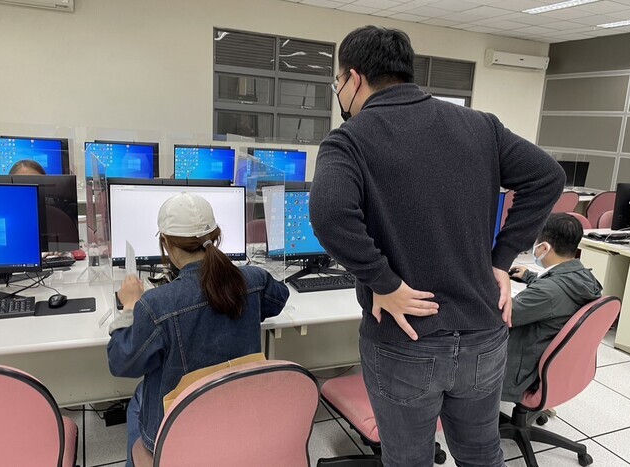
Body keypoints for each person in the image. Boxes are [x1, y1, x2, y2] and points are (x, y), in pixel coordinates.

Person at [309, 26, 565, 467]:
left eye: (337, 83)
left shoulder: (350, 140)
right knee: (481, 452)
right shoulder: (480, 126)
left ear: (354, 78)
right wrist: (501, 261)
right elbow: (549, 177)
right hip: (484, 335)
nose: (340, 92)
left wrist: (383, 282)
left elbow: (330, 214)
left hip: (406, 339)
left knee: (408, 459)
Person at [107, 193, 289, 466]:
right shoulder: (253, 280)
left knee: (140, 396)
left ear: (166, 244)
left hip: (176, 437)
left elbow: (122, 363)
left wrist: (131, 307)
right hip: (239, 416)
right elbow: (279, 298)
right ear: (215, 237)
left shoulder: (155, 305)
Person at [503, 213, 602, 402]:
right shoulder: (584, 277)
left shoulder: (547, 292)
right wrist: (530, 277)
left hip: (521, 372)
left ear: (544, 247)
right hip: (555, 366)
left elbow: (504, 315)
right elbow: (557, 292)